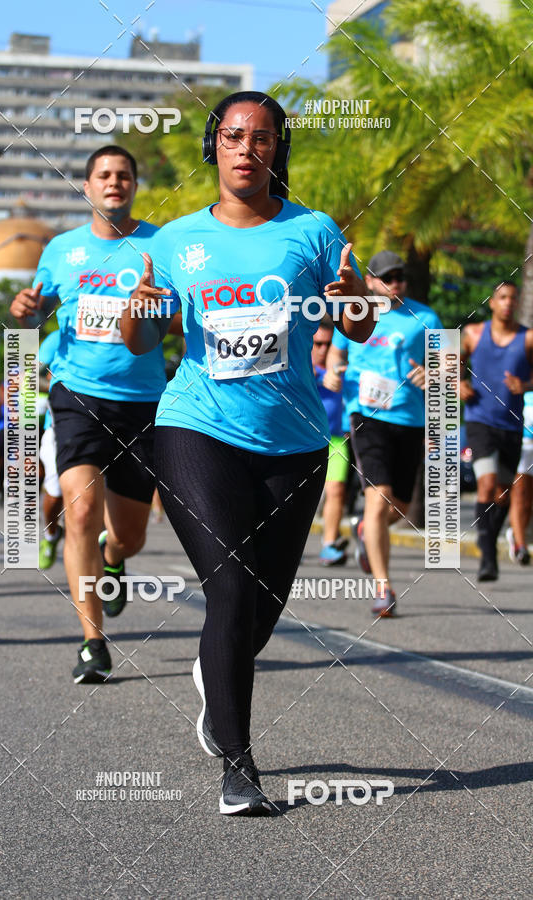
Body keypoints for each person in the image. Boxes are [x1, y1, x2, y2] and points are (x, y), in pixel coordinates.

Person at [120, 90, 376, 816]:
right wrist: (140, 312)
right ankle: (238, 767)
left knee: (259, 610)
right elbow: (141, 342)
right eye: (233, 136)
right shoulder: (177, 241)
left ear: (276, 150)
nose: (246, 149)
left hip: (294, 442)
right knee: (230, 589)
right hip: (195, 426)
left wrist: (357, 297)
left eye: (261, 138)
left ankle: (216, 671)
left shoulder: (314, 231)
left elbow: (356, 326)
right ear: (214, 146)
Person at [10, 145, 170, 683]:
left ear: (135, 186)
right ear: (87, 187)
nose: (114, 182)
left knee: (130, 535)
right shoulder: (61, 250)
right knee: (79, 512)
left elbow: (175, 318)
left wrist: (151, 310)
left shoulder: (160, 245)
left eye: (124, 175)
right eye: (104, 175)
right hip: (77, 393)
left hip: (143, 400)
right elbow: (35, 318)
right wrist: (24, 314)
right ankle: (92, 642)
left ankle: (114, 557)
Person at [329, 250, 442, 617]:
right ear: (371, 281)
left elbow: (448, 365)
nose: (396, 284)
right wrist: (333, 373)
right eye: (387, 278)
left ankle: (365, 529)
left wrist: (433, 375)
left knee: (400, 508)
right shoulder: (356, 311)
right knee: (379, 499)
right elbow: (335, 355)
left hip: (410, 418)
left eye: (400, 277)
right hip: (366, 415)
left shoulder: (426, 318)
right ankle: (383, 587)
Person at [461, 281, 533, 581]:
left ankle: (489, 541)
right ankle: (488, 557)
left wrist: (525, 385)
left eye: (513, 298)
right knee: (487, 483)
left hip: (512, 425)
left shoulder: (528, 338)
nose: (508, 303)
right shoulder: (474, 333)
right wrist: (458, 382)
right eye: (502, 297)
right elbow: (451, 361)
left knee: (503, 493)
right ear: (492, 302)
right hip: (479, 421)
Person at [312, 316, 350, 565]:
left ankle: (328, 545)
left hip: (336, 440)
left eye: (328, 344)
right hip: (302, 439)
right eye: (318, 344)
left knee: (336, 491)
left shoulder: (341, 371)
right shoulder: (299, 369)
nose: (323, 350)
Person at [38, 329, 64, 570]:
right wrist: (56, 384)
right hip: (58, 427)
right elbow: (29, 375)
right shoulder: (57, 337)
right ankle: (51, 534)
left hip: (106, 424)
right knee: (55, 494)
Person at [506, 390, 533, 565]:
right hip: (524, 444)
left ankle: (517, 533)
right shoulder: (521, 382)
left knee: (529, 500)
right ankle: (520, 545)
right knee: (521, 495)